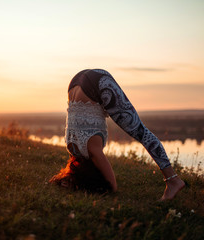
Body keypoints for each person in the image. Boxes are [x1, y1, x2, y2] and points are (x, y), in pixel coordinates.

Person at [50, 69, 185, 200]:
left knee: (140, 132)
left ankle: (173, 181)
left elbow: (112, 186)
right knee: (138, 131)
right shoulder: (72, 148)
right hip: (77, 82)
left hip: (98, 83)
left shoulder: (91, 150)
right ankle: (173, 180)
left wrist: (95, 187)